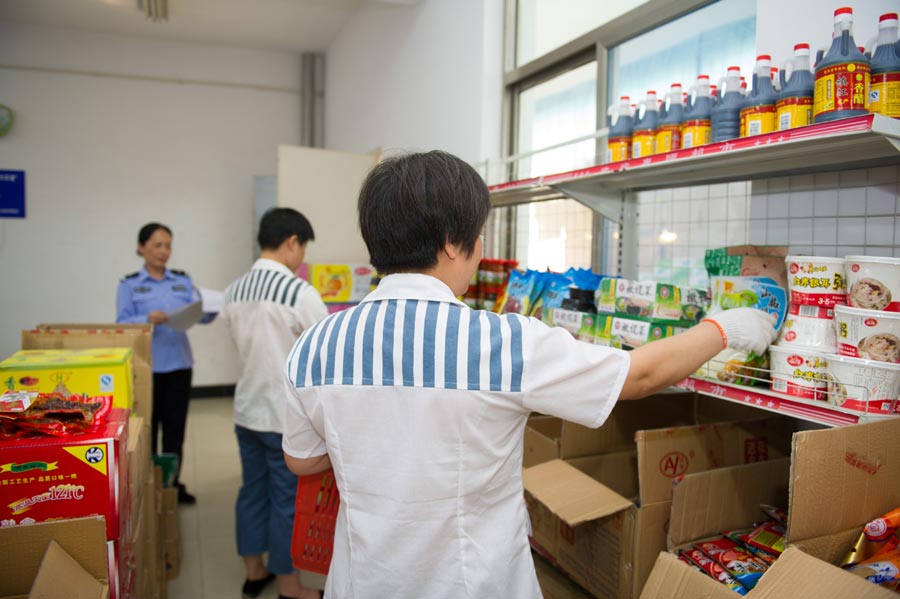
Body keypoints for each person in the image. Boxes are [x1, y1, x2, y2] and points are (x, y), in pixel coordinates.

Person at [281, 151, 777, 598]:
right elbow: (639, 376)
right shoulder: (502, 342)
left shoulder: (315, 346)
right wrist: (725, 326)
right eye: (477, 235)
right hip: (475, 584)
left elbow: (301, 461)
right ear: (453, 244)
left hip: (363, 583)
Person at [221, 208, 328, 599]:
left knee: (252, 489)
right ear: (291, 242)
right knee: (286, 499)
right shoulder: (299, 293)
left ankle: (254, 572)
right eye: (303, 248)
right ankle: (290, 585)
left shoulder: (233, 290)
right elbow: (322, 352)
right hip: (285, 418)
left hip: (246, 410)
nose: (302, 258)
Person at [117, 222, 214, 505]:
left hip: (179, 365)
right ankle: (148, 483)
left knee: (175, 429)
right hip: (146, 369)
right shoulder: (130, 284)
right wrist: (146, 320)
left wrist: (210, 311)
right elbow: (121, 323)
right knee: (148, 428)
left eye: (167, 245)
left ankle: (173, 484)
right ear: (141, 247)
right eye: (157, 245)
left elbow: (198, 313)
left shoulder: (182, 280)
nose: (163, 251)